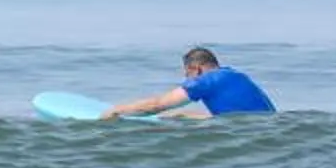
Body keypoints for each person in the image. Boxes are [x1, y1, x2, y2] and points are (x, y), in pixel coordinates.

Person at [102, 47, 275, 120]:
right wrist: (185, 115)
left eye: (188, 75)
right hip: (268, 127)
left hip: (247, 132)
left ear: (197, 69)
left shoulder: (206, 80)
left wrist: (117, 110)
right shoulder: (235, 75)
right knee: (181, 115)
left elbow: (157, 105)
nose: (187, 81)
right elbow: (240, 116)